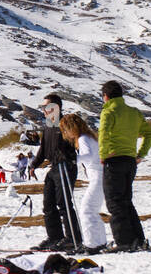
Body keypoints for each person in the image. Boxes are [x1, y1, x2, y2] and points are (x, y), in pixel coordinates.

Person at [98, 81, 151, 252]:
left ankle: (123, 242)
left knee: (114, 202)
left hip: (113, 160)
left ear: (105, 96)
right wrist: (140, 154)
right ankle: (137, 239)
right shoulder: (134, 112)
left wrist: (103, 155)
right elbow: (149, 133)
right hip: (130, 161)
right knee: (126, 201)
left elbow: (104, 135)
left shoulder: (109, 111)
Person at [28, 93, 80, 250]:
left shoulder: (65, 123)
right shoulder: (49, 125)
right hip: (53, 168)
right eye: (43, 107)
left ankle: (72, 238)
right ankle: (55, 237)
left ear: (56, 108)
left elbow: (77, 142)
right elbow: (43, 149)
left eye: (46, 107)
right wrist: (33, 165)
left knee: (63, 203)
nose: (43, 110)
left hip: (65, 166)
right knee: (48, 204)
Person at [60, 114, 108, 253]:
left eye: (65, 130)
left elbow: (88, 156)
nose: (65, 133)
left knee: (86, 210)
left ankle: (91, 244)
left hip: (97, 177)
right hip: (99, 176)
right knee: (92, 210)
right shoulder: (89, 137)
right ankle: (99, 242)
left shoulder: (83, 139)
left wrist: (72, 158)